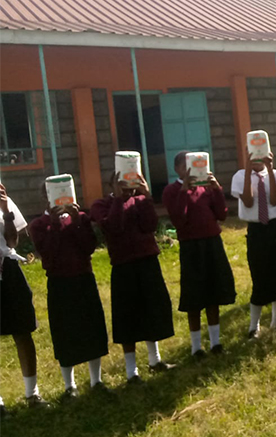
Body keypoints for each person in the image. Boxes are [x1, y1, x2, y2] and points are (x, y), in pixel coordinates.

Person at [92, 172, 176, 382]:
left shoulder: (139, 200)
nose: (127, 186)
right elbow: (113, 227)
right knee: (127, 316)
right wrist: (120, 200)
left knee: (151, 310)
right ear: (111, 184)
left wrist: (147, 197)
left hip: (147, 260)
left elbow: (150, 225)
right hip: (123, 265)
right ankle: (132, 371)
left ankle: (155, 359)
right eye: (120, 182)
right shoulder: (102, 205)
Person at [30, 194, 109, 396]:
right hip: (59, 283)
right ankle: (69, 385)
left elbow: (89, 246)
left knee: (92, 328)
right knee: (65, 332)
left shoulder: (80, 218)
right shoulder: (39, 225)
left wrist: (75, 221)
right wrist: (56, 224)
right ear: (45, 201)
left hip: (83, 278)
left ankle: (96, 380)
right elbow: (48, 252)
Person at [162, 152, 236, 358]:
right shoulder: (172, 190)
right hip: (191, 246)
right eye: (186, 166)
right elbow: (178, 219)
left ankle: (216, 342)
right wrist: (185, 189)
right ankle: (196, 347)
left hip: (211, 243)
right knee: (194, 297)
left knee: (214, 293)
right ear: (177, 169)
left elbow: (221, 214)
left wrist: (217, 188)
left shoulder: (207, 188)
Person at [230, 149, 276, 339]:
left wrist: (269, 169)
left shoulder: (275, 175)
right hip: (257, 229)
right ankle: (254, 326)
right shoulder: (240, 175)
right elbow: (249, 202)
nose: (259, 159)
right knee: (259, 274)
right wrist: (249, 170)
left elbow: (275, 201)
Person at [0, 183, 48, 412]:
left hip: (7, 268)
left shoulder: (3, 201)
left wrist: (5, 210)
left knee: (23, 329)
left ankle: (32, 393)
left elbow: (12, 242)